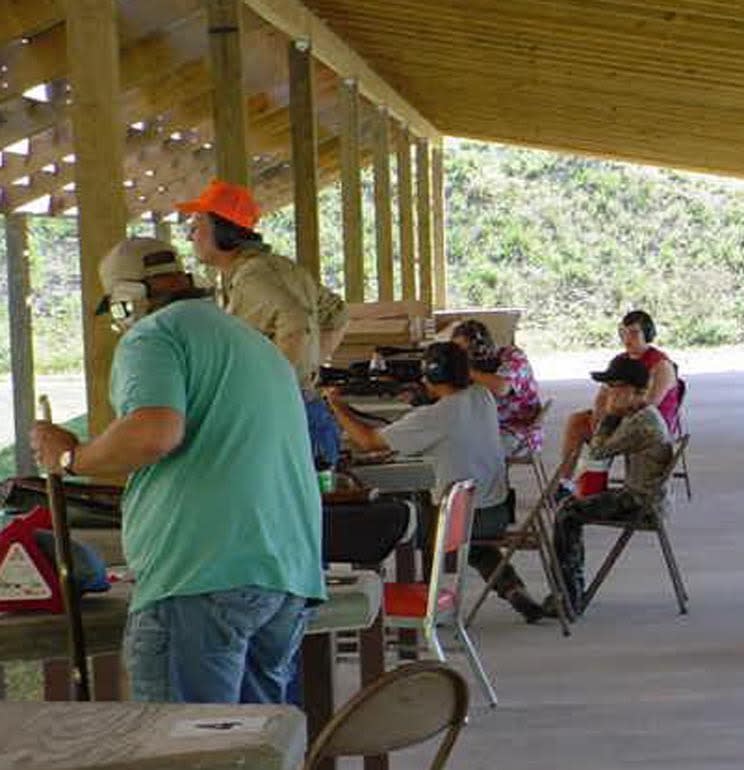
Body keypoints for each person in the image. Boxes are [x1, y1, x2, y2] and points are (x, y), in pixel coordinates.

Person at [30, 237, 325, 702]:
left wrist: (71, 458)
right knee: (252, 748)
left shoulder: (154, 335)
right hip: (286, 575)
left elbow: (154, 433)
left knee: (184, 745)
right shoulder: (254, 343)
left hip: (201, 574)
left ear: (128, 299)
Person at [325, 341, 545, 623]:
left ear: (431, 377)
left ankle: (403, 598)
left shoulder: (435, 417)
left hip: (458, 520)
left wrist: (336, 405)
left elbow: (369, 442)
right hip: (496, 511)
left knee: (389, 510)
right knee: (472, 541)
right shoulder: (482, 396)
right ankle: (512, 588)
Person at [175, 179, 349, 466]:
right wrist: (309, 368)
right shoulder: (280, 267)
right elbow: (338, 315)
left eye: (196, 226)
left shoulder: (251, 277)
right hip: (306, 411)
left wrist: (279, 388)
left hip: (284, 417)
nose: (190, 236)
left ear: (222, 230)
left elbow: (297, 323)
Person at [549, 356, 673, 615]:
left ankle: (568, 595)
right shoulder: (641, 415)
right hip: (645, 495)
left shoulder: (641, 421)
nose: (608, 394)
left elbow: (597, 451)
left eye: (614, 387)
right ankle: (567, 590)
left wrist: (610, 416)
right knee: (571, 506)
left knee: (567, 514)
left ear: (633, 390)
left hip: (642, 503)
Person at [556, 309, 678, 494]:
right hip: (620, 419)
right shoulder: (620, 360)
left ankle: (592, 484)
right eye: (623, 333)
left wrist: (607, 424)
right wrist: (599, 421)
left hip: (643, 428)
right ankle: (565, 483)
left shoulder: (661, 365)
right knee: (577, 421)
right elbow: (602, 398)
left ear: (648, 334)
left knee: (598, 449)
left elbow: (648, 405)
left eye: (634, 333)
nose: (627, 339)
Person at [450, 319, 543, 457]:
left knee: (465, 455)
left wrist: (467, 371)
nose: (464, 356)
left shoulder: (513, 357)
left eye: (467, 351)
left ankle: (485, 479)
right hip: (485, 428)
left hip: (518, 433)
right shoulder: (474, 367)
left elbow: (502, 387)